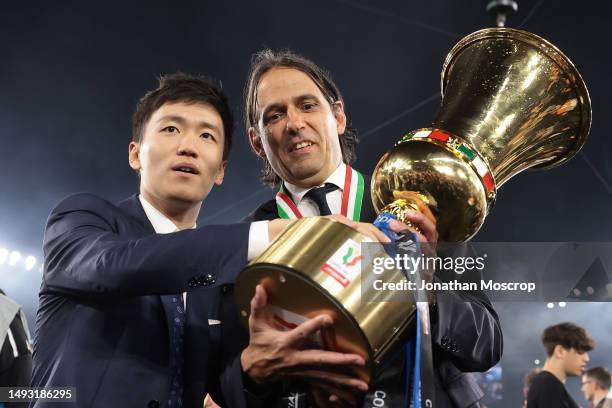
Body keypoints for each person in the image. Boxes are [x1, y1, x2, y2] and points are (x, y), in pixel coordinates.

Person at [215, 49, 503, 407]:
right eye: (274, 115)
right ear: (257, 142)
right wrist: (254, 375)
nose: (294, 123)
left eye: (307, 105)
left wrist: (425, 291)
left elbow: (486, 344)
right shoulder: (247, 241)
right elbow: (233, 380)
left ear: (337, 115)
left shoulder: (419, 205)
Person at [30, 73, 296, 408]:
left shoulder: (218, 284)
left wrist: (252, 370)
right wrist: (266, 233)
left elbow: (218, 392)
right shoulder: (81, 218)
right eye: (171, 129)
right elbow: (117, 266)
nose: (188, 146)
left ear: (220, 172)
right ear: (135, 154)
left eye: (207, 135)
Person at [527, 322, 594, 408]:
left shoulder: (548, 384)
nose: (586, 359)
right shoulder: (549, 386)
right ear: (560, 351)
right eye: (581, 351)